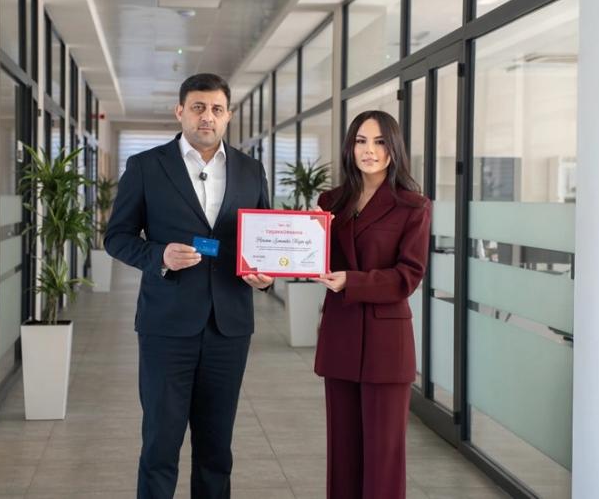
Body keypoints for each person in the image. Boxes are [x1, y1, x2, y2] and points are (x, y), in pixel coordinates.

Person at [104, 73, 274, 499]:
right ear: (180, 111)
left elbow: (264, 239)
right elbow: (117, 237)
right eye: (198, 107)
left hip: (229, 327)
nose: (207, 117)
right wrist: (158, 255)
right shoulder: (146, 167)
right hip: (166, 326)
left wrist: (267, 276)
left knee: (217, 449)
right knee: (160, 445)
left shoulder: (251, 170)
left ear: (229, 115)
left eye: (217, 109)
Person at [312, 110, 431, 499]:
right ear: (350, 147)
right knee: (343, 454)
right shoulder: (330, 202)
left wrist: (354, 281)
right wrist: (304, 241)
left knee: (383, 457)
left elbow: (408, 276)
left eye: (380, 142)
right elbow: (321, 263)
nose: (369, 150)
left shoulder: (413, 206)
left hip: (386, 344)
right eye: (361, 141)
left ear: (394, 148)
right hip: (341, 334)